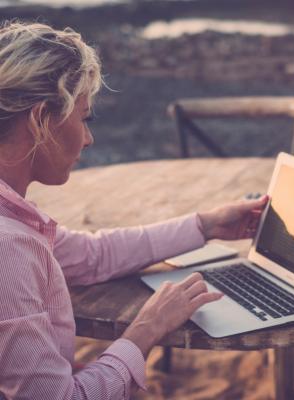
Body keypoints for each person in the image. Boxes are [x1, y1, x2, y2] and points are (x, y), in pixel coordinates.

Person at [0, 21, 268, 399]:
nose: (89, 139)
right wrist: (148, 327)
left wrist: (207, 225)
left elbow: (91, 255)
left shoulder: (12, 218)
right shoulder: (8, 247)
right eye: (84, 118)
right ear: (41, 119)